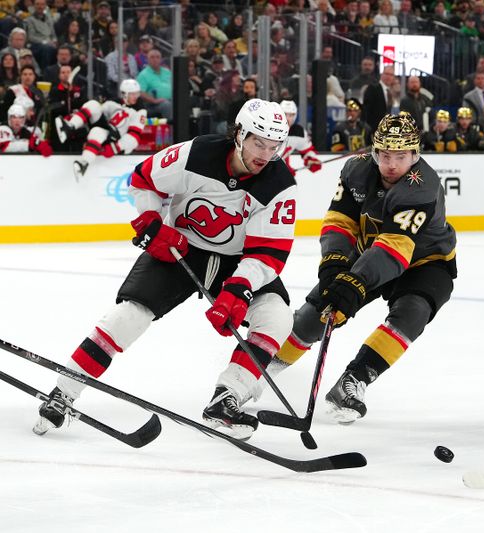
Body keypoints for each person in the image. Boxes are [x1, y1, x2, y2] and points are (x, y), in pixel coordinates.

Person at [34, 99, 296, 441]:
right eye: (258, 142)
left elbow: (268, 251)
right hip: (179, 247)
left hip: (237, 261)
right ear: (239, 134)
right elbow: (145, 180)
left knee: (277, 317)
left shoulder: (280, 185)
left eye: (274, 146)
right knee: (130, 315)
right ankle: (64, 391)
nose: (265, 153)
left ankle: (228, 396)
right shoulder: (197, 154)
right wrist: (151, 223)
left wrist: (238, 289)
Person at [265, 113, 457, 424]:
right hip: (370, 253)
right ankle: (266, 366)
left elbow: (395, 245)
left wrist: (354, 281)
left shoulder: (422, 185)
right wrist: (334, 264)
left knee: (413, 311)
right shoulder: (357, 169)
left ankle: (354, 379)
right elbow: (340, 221)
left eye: (401, 156)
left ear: (415, 154)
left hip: (425, 261)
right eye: (384, 155)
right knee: (320, 310)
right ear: (374, 151)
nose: (391, 163)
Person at [55, 79, 147, 180]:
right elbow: (96, 112)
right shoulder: (114, 102)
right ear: (124, 94)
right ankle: (69, 127)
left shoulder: (140, 110)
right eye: (132, 94)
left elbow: (134, 136)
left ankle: (83, 163)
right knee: (93, 104)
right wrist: (76, 117)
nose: (136, 97)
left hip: (116, 137)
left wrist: (115, 147)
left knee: (97, 132)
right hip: (107, 128)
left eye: (137, 93)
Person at [278, 99, 323, 175]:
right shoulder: (269, 128)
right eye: (285, 114)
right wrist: (283, 169)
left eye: (291, 115)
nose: (288, 118)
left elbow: (307, 150)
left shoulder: (299, 132)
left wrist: (310, 159)